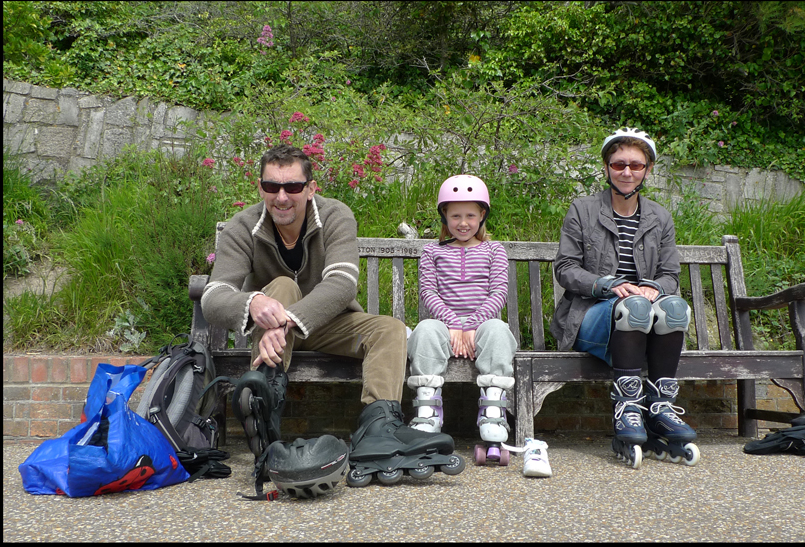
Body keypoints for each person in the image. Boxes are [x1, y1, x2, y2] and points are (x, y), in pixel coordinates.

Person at [201, 144, 464, 487]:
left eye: (293, 187)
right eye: (271, 186)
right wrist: (252, 304)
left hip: (321, 324)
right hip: (272, 337)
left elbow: (342, 284)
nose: (282, 197)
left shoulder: (336, 215)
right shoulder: (243, 227)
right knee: (279, 285)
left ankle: (379, 427)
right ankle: (265, 402)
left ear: (311, 189)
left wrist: (286, 320)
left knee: (390, 329)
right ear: (260, 187)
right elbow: (212, 296)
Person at [550, 127, 700, 468]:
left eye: (636, 165)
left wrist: (655, 288)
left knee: (674, 306)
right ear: (606, 168)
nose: (627, 172)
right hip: (591, 314)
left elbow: (670, 275)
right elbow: (566, 268)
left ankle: (660, 409)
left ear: (647, 170)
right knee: (632, 306)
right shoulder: (583, 209)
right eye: (619, 165)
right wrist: (607, 285)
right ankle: (628, 409)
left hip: (641, 315)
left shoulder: (659, 216)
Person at [406, 174, 550, 477]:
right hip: (446, 326)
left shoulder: (494, 250)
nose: (463, 222)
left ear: (482, 214)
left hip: (480, 326)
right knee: (425, 331)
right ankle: (427, 413)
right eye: (455, 215)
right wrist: (454, 325)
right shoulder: (432, 252)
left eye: (470, 215)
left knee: (498, 331)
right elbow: (428, 293)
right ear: (444, 214)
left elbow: (498, 292)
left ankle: (493, 413)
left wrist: (471, 324)